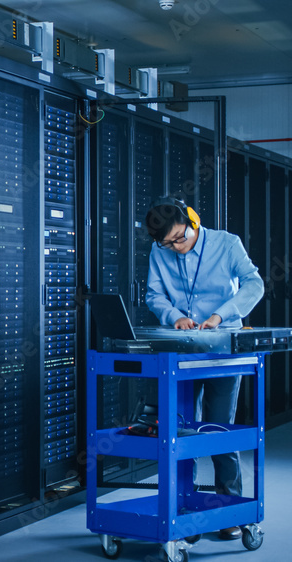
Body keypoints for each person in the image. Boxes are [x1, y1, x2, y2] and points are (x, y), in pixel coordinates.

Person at [145, 196, 264, 541]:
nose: (176, 248)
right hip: (181, 349)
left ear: (193, 222)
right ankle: (185, 505)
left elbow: (255, 283)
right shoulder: (161, 250)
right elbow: (154, 295)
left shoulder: (227, 244)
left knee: (217, 427)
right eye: (167, 244)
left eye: (179, 238)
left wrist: (220, 316)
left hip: (224, 347)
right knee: (180, 429)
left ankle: (227, 508)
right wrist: (175, 317)